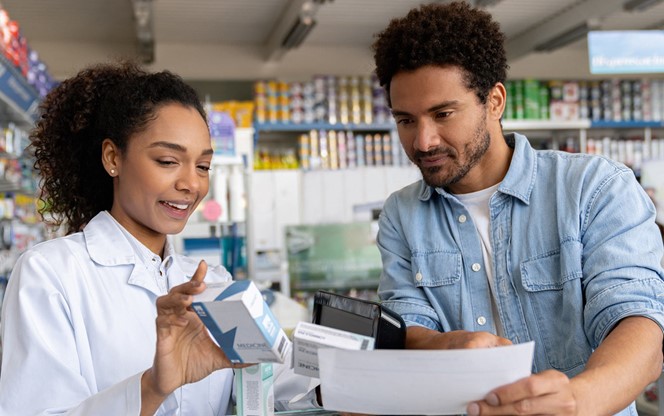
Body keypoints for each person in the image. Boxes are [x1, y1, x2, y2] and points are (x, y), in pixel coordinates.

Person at [372, 2, 664, 415]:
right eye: (405, 120)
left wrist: (575, 401)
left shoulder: (594, 188)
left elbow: (638, 326)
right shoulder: (402, 214)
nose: (423, 141)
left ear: (494, 101)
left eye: (443, 114)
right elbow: (407, 323)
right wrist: (446, 344)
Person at [0, 61, 316, 415]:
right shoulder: (51, 275)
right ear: (112, 157)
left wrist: (342, 375)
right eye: (168, 161)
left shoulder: (213, 284)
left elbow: (288, 386)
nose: (191, 184)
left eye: (203, 166)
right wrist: (153, 387)